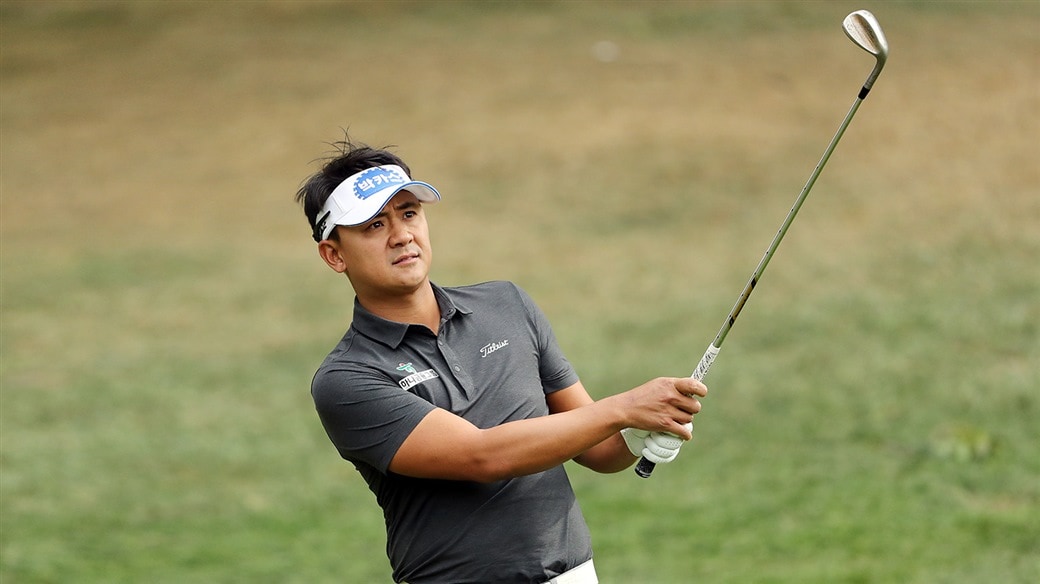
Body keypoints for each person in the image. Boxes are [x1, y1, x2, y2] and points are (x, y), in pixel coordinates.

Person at [294, 136, 707, 584]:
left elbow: (596, 448)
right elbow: (481, 456)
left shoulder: (505, 304)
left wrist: (635, 434)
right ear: (334, 255)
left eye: (409, 213)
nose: (402, 235)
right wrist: (622, 409)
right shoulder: (347, 379)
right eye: (374, 225)